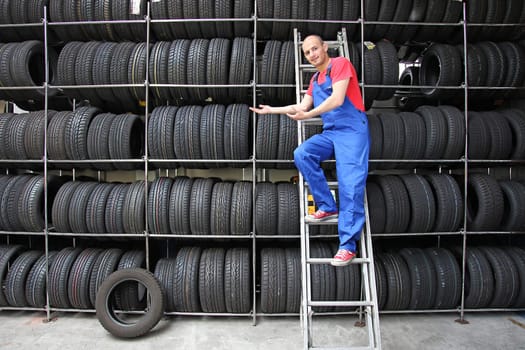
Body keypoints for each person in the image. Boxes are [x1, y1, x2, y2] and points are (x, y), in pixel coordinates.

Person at [250, 35, 369, 266]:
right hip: (332, 132)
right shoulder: (315, 79)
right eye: (307, 52)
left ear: (325, 48)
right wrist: (272, 110)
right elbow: (301, 106)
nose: (312, 54)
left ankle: (347, 246)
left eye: (315, 49)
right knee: (302, 154)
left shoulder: (341, 64)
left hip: (353, 132)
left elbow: (337, 99)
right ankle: (326, 205)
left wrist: (309, 115)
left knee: (350, 184)